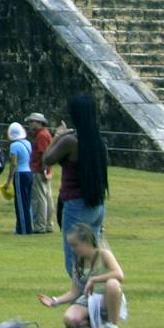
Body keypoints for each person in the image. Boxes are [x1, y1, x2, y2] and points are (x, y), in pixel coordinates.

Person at [42, 92, 109, 278]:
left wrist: (57, 136)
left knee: (75, 264)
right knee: (93, 261)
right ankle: (95, 295)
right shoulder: (97, 142)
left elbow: (46, 159)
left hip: (76, 205)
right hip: (96, 204)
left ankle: (82, 296)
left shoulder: (71, 141)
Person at [39, 220, 126, 328]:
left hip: (107, 297)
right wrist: (54, 301)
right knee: (70, 319)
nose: (73, 249)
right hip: (90, 299)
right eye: (71, 246)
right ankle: (97, 326)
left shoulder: (103, 254)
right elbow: (74, 292)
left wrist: (94, 279)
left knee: (113, 284)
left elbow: (119, 274)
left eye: (75, 245)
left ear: (86, 242)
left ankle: (111, 326)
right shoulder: (78, 263)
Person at [27, 113, 54, 236]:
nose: (30, 124)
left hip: (39, 170)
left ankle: (40, 225)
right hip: (46, 169)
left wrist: (43, 170)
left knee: (39, 199)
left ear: (39, 122)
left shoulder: (41, 135)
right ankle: (48, 224)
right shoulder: (46, 133)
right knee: (47, 197)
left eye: (32, 121)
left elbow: (44, 154)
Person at [7, 121, 35, 235]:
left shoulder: (14, 146)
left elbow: (13, 164)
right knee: (27, 202)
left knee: (20, 203)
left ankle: (23, 229)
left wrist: (9, 179)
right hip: (29, 172)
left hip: (20, 174)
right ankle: (28, 226)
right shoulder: (28, 143)